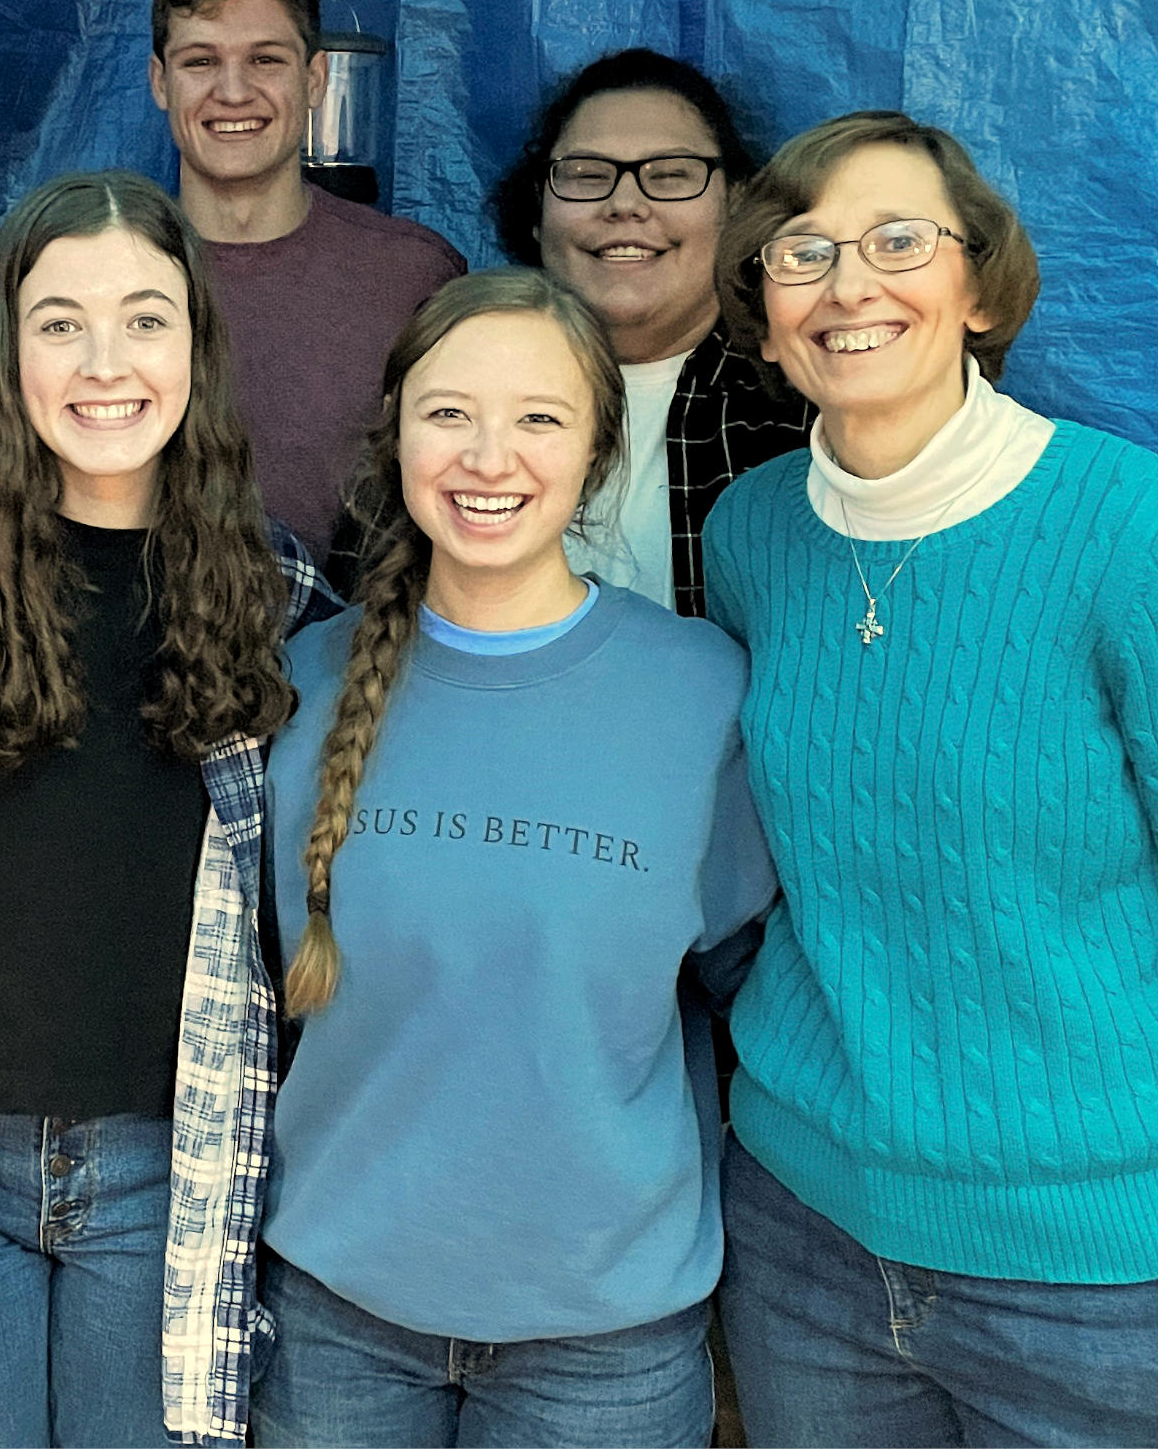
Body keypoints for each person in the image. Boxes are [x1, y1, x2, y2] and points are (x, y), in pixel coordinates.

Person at [701, 110, 1158, 1449]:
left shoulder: (1138, 533)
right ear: (764, 315)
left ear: (979, 290)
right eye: (803, 251)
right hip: (803, 1242)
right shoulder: (749, 536)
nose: (848, 283)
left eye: (896, 241)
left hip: (1101, 1294)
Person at [0, 170, 341, 1447]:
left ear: (196, 344)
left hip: (172, 1165)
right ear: (7, 348)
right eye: (61, 323)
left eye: (145, 318)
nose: (105, 363)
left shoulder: (269, 585)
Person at [253, 267, 778, 1448]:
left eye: (539, 416)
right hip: (336, 1321)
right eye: (449, 412)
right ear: (394, 434)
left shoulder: (700, 693)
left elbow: (752, 994)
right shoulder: (298, 684)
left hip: (604, 1343)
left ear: (597, 451)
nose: (488, 457)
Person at [150, 0, 464, 563]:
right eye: (200, 62)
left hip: (363, 624)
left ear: (315, 78)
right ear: (160, 82)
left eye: (265, 60)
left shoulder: (413, 276)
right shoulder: (100, 272)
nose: (233, 92)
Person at [492, 48, 809, 618]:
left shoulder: (805, 414)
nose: (625, 205)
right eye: (587, 175)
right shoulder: (459, 393)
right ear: (537, 209)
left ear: (737, 203)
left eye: (670, 175)